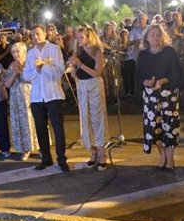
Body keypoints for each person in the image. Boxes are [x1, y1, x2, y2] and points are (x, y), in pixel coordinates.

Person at [136, 24, 184, 170]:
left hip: (168, 95)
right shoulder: (143, 54)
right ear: (146, 37)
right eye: (152, 35)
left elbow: (177, 73)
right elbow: (138, 76)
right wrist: (146, 81)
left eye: (158, 34)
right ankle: (162, 155)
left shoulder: (169, 52)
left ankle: (170, 158)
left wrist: (163, 80)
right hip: (150, 96)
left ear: (163, 36)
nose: (155, 37)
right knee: (154, 127)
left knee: (169, 127)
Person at [22, 24, 69, 172]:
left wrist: (45, 66)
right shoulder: (30, 53)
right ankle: (46, 158)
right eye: (33, 35)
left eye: (38, 34)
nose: (35, 37)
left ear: (44, 34)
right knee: (41, 128)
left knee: (58, 128)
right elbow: (26, 75)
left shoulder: (54, 49)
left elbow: (59, 71)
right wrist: (37, 70)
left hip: (53, 94)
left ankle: (61, 159)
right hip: (37, 96)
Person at [69, 26, 109, 170]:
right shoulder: (77, 52)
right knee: (85, 119)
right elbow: (74, 75)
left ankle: (102, 153)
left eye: (81, 37)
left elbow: (97, 72)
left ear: (89, 37)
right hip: (81, 86)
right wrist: (73, 66)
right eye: (77, 37)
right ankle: (92, 152)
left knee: (97, 118)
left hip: (94, 85)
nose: (78, 40)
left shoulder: (97, 51)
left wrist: (81, 64)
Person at [3, 42, 39, 160]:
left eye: (18, 51)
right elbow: (7, 84)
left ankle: (40, 147)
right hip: (16, 98)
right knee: (20, 122)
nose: (15, 54)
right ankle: (25, 149)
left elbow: (34, 79)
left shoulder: (30, 63)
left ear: (24, 52)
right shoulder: (12, 65)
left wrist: (22, 72)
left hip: (30, 96)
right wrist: (14, 73)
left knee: (34, 121)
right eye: (13, 52)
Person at [124, 13, 148, 98]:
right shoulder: (134, 30)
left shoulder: (150, 28)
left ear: (146, 19)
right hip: (138, 56)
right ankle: (140, 93)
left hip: (149, 55)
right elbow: (128, 42)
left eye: (142, 19)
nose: (141, 20)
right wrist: (135, 41)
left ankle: (149, 92)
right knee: (139, 74)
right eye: (139, 19)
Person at [100, 22, 122, 100]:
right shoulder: (101, 38)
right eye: (106, 28)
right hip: (104, 60)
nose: (108, 30)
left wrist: (108, 47)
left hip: (113, 60)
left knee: (114, 77)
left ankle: (116, 95)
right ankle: (107, 95)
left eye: (109, 28)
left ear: (112, 29)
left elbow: (118, 49)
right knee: (106, 77)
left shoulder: (116, 38)